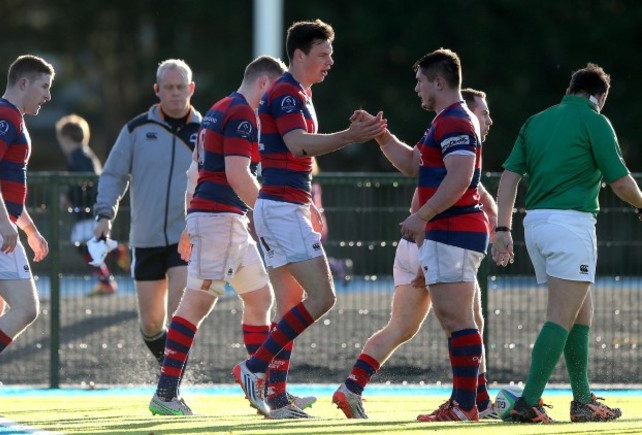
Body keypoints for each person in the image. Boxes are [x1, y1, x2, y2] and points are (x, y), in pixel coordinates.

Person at [232, 19, 387, 418]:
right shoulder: (286, 92)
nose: (330, 61)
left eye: (330, 54)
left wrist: (310, 202)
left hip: (286, 205)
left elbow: (296, 157)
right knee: (324, 297)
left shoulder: (300, 92)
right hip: (281, 209)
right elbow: (297, 145)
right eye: (323, 54)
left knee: (290, 305)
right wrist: (350, 136)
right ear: (299, 55)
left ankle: (278, 396)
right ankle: (253, 368)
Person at [333, 88, 498, 420]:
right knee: (466, 323)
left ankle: (352, 387)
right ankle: (473, 403)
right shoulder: (457, 137)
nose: (488, 120)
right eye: (483, 113)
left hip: (423, 245)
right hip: (430, 244)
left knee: (403, 328)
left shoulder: (452, 146)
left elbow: (416, 170)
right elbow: (419, 203)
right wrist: (427, 254)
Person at [492, 63, 640, 423]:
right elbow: (620, 183)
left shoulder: (536, 121)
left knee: (580, 313)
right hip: (570, 226)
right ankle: (527, 402)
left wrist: (502, 229)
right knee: (560, 316)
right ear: (599, 96)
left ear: (570, 88)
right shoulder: (595, 120)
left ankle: (583, 399)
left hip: (535, 225)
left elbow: (510, 175)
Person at [148, 55, 290, 416]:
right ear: (263, 84)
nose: (278, 102)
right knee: (195, 305)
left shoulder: (217, 109)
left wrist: (188, 221)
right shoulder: (242, 113)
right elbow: (239, 176)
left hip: (223, 221)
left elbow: (193, 172)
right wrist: (270, 212)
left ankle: (264, 390)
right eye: (276, 92)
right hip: (221, 220)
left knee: (260, 299)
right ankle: (165, 394)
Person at [93, 59, 201, 369]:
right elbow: (113, 175)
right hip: (146, 239)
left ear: (191, 89)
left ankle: (172, 383)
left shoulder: (207, 131)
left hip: (187, 239)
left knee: (182, 317)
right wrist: (104, 215)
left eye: (181, 87)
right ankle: (169, 373)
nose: (175, 93)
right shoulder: (137, 129)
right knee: (153, 325)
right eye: (168, 87)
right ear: (157, 90)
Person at [0, 55, 53, 362]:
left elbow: (6, 187)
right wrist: (4, 222)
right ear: (23, 83)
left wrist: (30, 229)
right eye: (44, 86)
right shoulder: (6, 115)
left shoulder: (12, 117)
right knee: (26, 309)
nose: (48, 95)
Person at [55, 114, 129, 297]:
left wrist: (70, 196)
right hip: (90, 209)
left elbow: (83, 183)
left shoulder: (77, 156)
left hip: (87, 210)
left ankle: (113, 263)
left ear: (65, 138)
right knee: (91, 244)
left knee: (84, 245)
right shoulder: (85, 154)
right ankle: (109, 271)